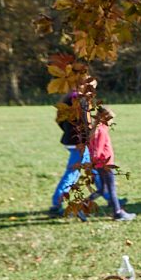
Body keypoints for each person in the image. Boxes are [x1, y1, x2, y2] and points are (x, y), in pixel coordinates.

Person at [85, 106, 135, 221]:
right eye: (110, 118)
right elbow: (98, 150)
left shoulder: (96, 129)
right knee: (112, 189)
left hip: (100, 165)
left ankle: (82, 206)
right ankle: (118, 213)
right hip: (105, 165)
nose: (112, 121)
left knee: (103, 190)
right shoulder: (101, 131)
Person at [49, 87, 91, 216]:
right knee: (72, 174)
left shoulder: (66, 99)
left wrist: (68, 131)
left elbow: (59, 121)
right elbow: (87, 124)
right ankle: (56, 203)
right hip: (79, 143)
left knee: (95, 169)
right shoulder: (82, 100)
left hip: (70, 141)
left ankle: (111, 198)